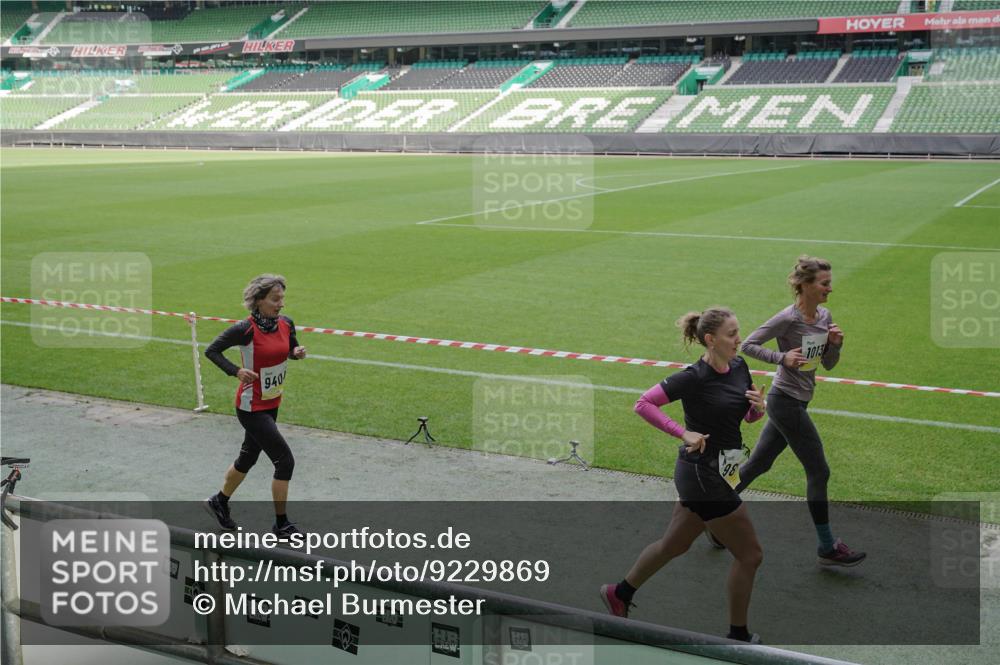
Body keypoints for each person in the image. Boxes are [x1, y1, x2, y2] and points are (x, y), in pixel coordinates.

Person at [601, 307, 767, 643]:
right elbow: (643, 403)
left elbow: (744, 416)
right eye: (732, 334)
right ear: (711, 339)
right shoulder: (693, 377)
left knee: (674, 545)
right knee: (750, 555)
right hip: (703, 474)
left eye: (738, 331)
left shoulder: (739, 366)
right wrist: (683, 432)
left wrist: (756, 410)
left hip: (728, 465)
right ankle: (738, 636)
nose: (739, 339)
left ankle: (619, 592)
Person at [731, 256, 865, 567]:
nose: (830, 289)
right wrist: (782, 358)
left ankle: (709, 514)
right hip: (785, 402)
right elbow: (748, 344)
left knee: (757, 465)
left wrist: (835, 346)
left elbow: (827, 364)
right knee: (820, 471)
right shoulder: (787, 319)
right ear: (804, 286)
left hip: (799, 401)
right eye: (824, 283)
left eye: (830, 283)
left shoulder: (824, 316)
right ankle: (827, 546)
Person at [202, 274, 307, 537]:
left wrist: (296, 353)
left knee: (248, 457)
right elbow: (212, 350)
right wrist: (236, 371)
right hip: (251, 407)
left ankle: (219, 502)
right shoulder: (245, 329)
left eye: (282, 298)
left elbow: (290, 349)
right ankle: (281, 524)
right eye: (275, 299)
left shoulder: (286, 323)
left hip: (272, 402)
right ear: (259, 301)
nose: (281, 304)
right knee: (285, 461)